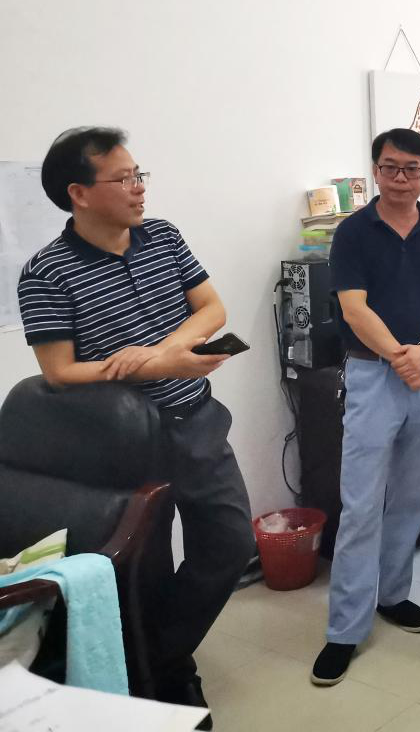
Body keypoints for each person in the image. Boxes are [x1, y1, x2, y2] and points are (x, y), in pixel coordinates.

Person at [18, 127, 254, 729]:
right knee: (142, 569)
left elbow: (211, 308)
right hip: (122, 445)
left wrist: (161, 354)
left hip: (195, 421)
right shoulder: (46, 272)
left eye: (138, 175)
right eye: (122, 179)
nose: (138, 188)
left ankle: (156, 660)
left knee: (230, 544)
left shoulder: (164, 237)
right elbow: (58, 371)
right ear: (79, 193)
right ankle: (168, 676)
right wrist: (155, 364)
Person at [312, 129, 420, 685]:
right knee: (361, 504)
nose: (401, 178)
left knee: (412, 495)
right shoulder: (353, 232)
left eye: (412, 169)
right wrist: (401, 356)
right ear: (375, 171)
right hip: (374, 375)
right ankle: (344, 629)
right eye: (391, 167)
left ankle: (393, 594)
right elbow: (353, 308)